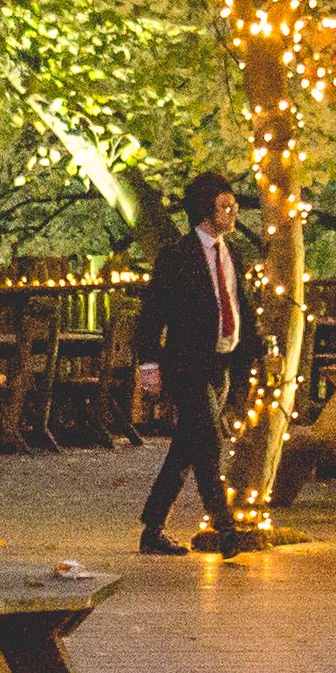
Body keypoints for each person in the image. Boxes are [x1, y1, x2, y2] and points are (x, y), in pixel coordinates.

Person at [132, 173, 264, 554]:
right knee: (208, 441)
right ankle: (225, 527)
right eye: (225, 206)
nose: (233, 211)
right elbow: (152, 312)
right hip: (188, 364)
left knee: (187, 448)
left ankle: (152, 527)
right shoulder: (178, 255)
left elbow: (239, 307)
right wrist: (149, 364)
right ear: (206, 210)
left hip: (222, 362)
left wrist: (252, 352)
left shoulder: (232, 253)